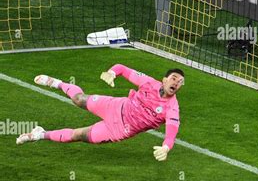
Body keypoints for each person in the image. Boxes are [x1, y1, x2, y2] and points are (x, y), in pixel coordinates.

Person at [16, 64, 184, 162]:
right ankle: (58, 83)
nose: (176, 83)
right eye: (174, 78)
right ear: (164, 80)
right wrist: (112, 73)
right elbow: (122, 68)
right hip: (114, 106)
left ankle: (40, 134)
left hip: (117, 130)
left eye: (180, 82)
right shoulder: (149, 83)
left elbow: (171, 135)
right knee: (78, 99)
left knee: (77, 135)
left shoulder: (173, 108)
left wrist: (166, 148)